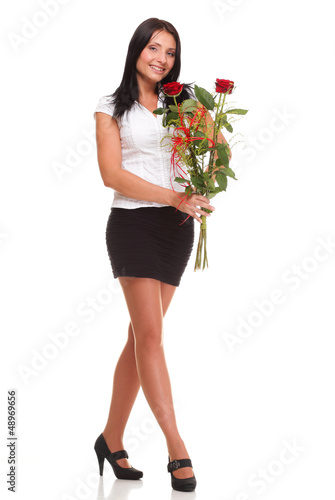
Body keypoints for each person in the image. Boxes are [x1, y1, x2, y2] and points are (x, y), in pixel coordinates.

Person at [93, 17, 216, 493]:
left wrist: (207, 116)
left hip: (177, 228)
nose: (161, 58)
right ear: (137, 50)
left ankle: (111, 438)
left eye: (170, 52)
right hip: (134, 224)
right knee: (151, 336)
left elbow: (216, 149)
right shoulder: (110, 106)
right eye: (154, 48)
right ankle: (176, 446)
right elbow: (111, 174)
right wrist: (173, 197)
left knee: (139, 340)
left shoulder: (180, 104)